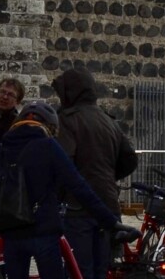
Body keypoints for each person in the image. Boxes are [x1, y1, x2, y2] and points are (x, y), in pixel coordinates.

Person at [0, 101, 129, 279]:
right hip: (43, 232)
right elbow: (79, 187)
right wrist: (111, 222)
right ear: (49, 126)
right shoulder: (48, 147)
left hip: (11, 234)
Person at [52, 67, 139, 279]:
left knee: (79, 270)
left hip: (78, 206)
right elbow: (129, 159)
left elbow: (64, 164)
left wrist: (58, 195)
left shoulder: (67, 120)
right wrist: (108, 176)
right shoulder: (108, 121)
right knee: (101, 269)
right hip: (107, 203)